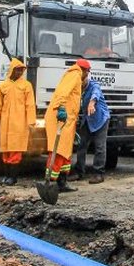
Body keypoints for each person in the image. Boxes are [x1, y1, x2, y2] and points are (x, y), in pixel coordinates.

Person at [0, 58, 37, 186]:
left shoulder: (26, 85)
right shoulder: (3, 86)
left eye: (21, 70)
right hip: (5, 124)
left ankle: (13, 177)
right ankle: (7, 176)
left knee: (15, 150)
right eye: (17, 70)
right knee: (5, 150)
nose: (19, 73)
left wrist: (31, 122)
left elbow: (30, 105)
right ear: (12, 70)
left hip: (19, 124)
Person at [43, 58, 91, 193]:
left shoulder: (75, 76)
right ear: (84, 70)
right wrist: (60, 108)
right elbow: (62, 93)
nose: (87, 75)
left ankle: (62, 183)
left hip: (67, 121)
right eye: (87, 72)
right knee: (58, 151)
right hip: (60, 118)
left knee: (65, 152)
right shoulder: (74, 75)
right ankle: (50, 184)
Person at [74, 68, 110, 184]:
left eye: (82, 81)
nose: (81, 84)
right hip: (87, 119)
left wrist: (92, 102)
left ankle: (98, 173)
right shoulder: (76, 88)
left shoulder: (94, 85)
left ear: (86, 79)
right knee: (81, 145)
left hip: (101, 119)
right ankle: (79, 172)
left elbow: (96, 94)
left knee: (99, 147)